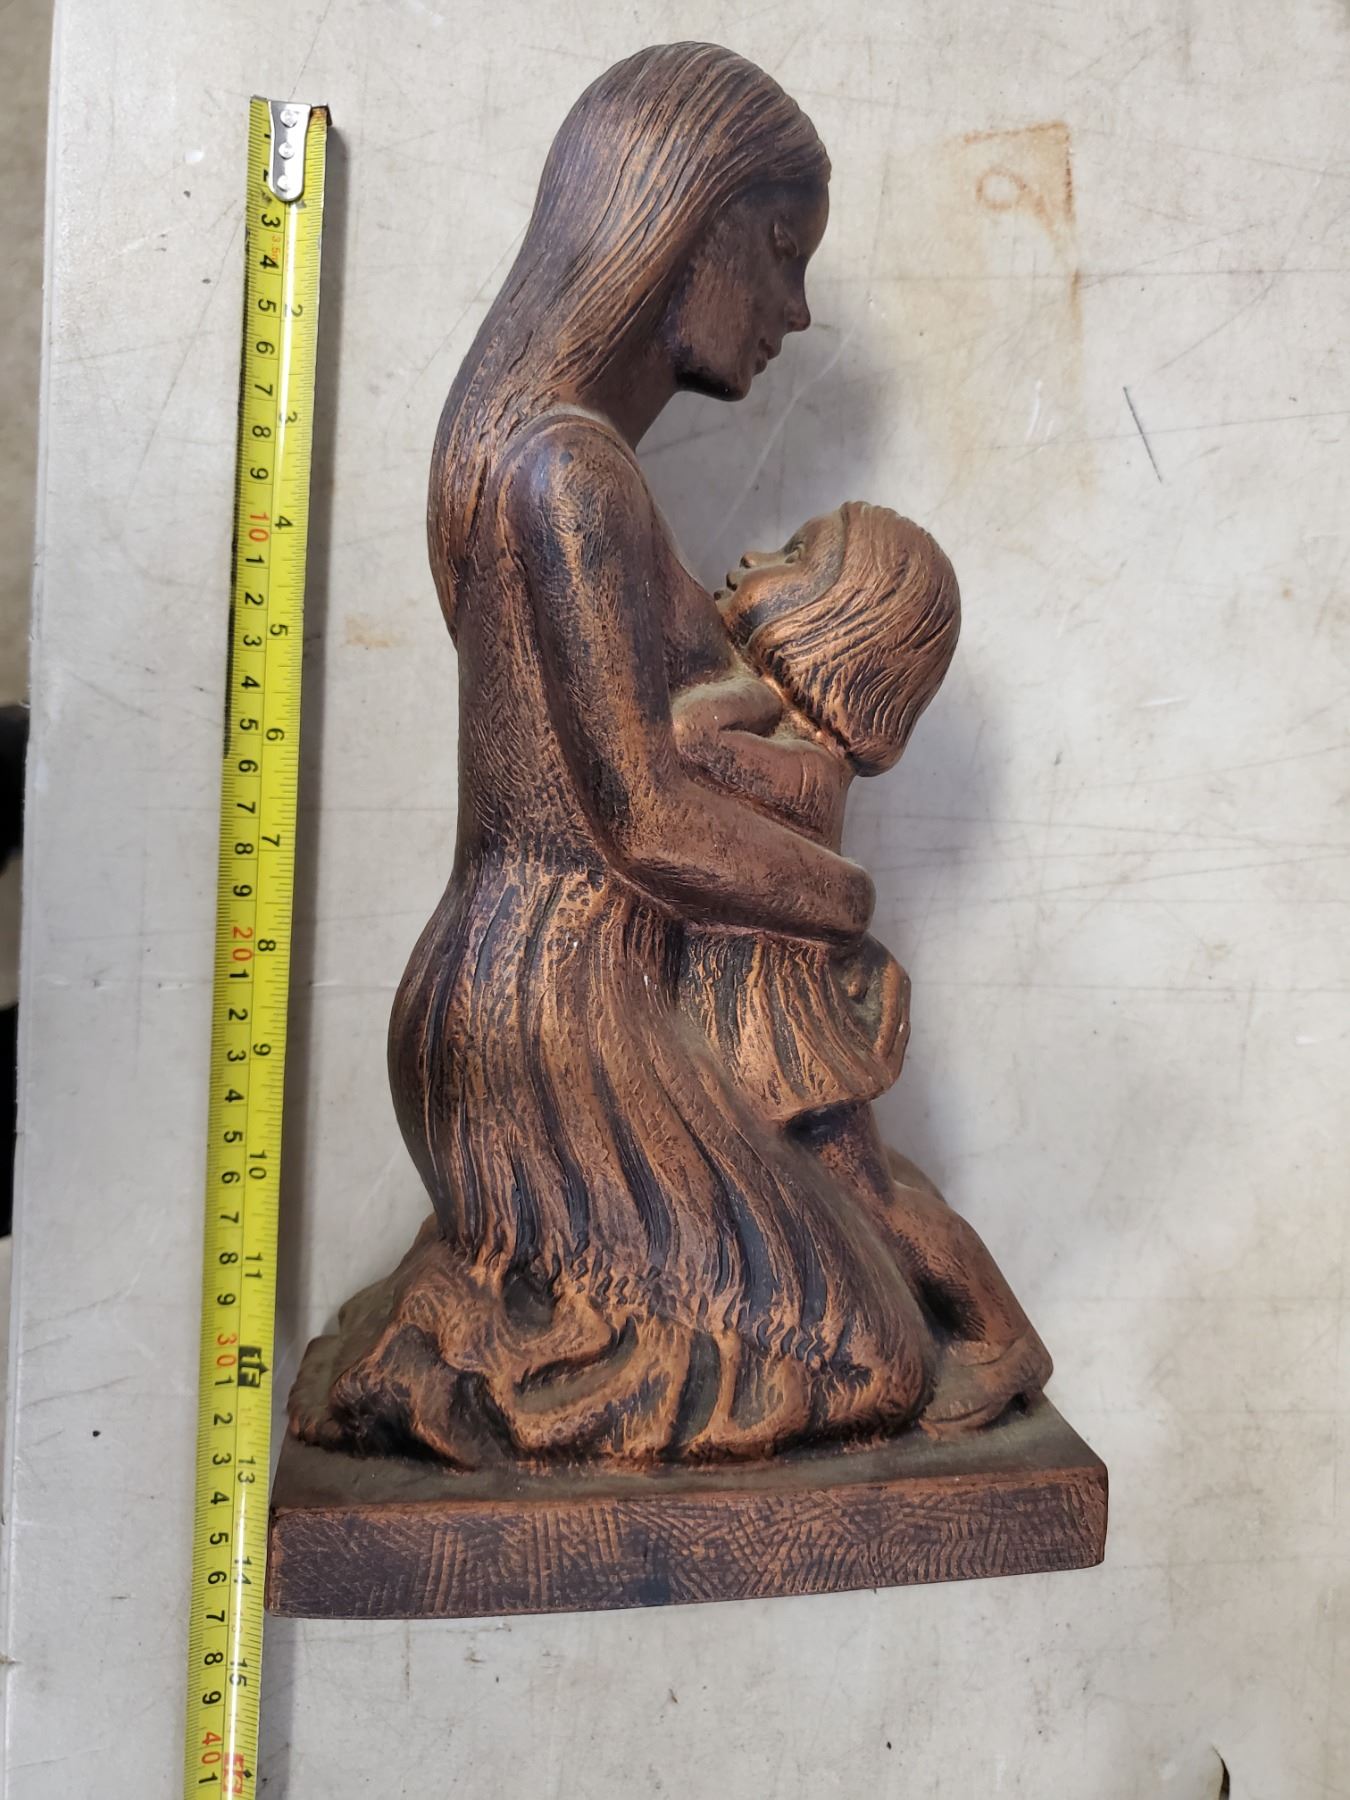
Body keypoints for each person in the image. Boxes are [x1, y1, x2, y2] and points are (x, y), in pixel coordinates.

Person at [675, 501, 1051, 1429]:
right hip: (763, 1018)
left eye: (793, 555)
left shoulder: (805, 769)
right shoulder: (795, 754)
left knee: (869, 1202)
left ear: (839, 627)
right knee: (854, 1195)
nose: (751, 555)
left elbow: (686, 744)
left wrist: (741, 681)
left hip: (786, 1030)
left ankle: (998, 1337)